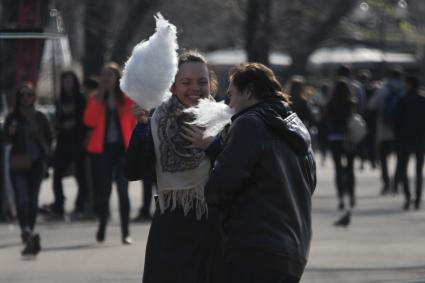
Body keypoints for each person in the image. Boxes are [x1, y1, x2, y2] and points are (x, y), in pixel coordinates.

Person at [184, 63, 316, 283]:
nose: (229, 103)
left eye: (232, 94)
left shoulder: (249, 123)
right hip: (293, 250)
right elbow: (299, 181)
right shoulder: (294, 125)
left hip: (254, 248)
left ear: (249, 92)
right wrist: (217, 148)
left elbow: (220, 187)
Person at [124, 50, 223, 283]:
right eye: (186, 82)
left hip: (211, 224)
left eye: (202, 82)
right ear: (173, 86)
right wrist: (140, 127)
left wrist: (210, 145)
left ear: (211, 84)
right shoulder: (156, 120)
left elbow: (236, 170)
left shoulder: (225, 119)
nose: (195, 88)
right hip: (170, 224)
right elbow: (132, 171)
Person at [83, 62, 136, 244]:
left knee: (123, 190)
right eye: (103, 75)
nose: (106, 78)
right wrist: (99, 98)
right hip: (102, 150)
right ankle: (103, 224)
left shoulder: (127, 98)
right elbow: (88, 121)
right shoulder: (95, 98)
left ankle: (125, 232)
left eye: (110, 75)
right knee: (103, 192)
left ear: (117, 78)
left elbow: (135, 120)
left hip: (122, 150)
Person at [4, 83, 53, 256]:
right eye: (23, 95)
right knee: (21, 198)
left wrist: (47, 156)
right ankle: (24, 227)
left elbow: (49, 137)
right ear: (18, 98)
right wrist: (10, 132)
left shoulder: (40, 116)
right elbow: (5, 140)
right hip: (18, 163)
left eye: (29, 94)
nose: (26, 98)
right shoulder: (12, 117)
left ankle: (29, 230)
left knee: (32, 199)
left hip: (36, 163)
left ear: (34, 96)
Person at [46, 71, 88, 220]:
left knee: (81, 177)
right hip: (63, 142)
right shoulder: (60, 100)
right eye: (65, 81)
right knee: (57, 175)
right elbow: (56, 121)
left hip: (78, 142)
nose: (67, 84)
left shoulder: (81, 99)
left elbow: (85, 121)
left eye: (70, 81)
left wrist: (75, 125)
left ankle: (80, 206)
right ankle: (59, 205)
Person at [368, 67, 404, 195]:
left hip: (384, 128)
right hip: (401, 130)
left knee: (383, 158)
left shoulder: (384, 89)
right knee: (401, 158)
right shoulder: (405, 89)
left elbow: (371, 105)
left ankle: (386, 182)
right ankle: (397, 182)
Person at [393, 75, 425, 210]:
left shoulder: (402, 99)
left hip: (404, 139)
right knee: (419, 170)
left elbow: (396, 120)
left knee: (403, 168)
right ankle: (417, 198)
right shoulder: (423, 99)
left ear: (409, 84)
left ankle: (407, 197)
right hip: (420, 139)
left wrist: (396, 136)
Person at [325, 79, 358, 210]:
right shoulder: (351, 103)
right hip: (349, 137)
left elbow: (326, 120)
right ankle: (352, 195)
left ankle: (340, 197)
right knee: (350, 168)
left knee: (338, 168)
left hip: (335, 138)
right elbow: (354, 119)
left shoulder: (330, 104)